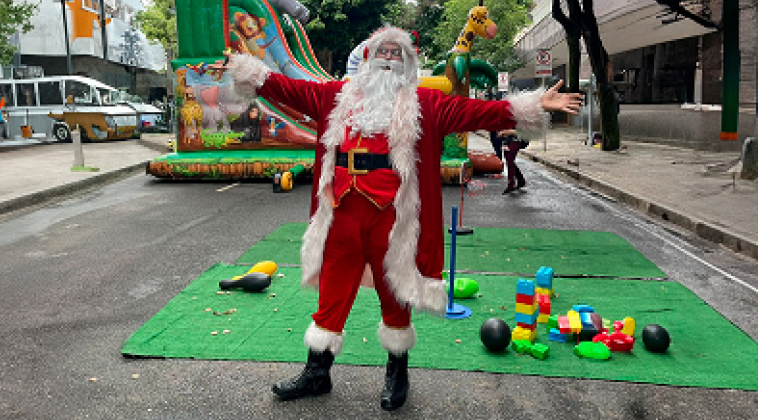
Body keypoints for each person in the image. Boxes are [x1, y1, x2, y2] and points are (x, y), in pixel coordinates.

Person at [215, 26, 581, 411]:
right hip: (340, 214)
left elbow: (479, 111)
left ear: (407, 64)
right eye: (382, 51)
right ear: (368, 58)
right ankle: (317, 372)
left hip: (393, 219)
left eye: (397, 53)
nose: (389, 58)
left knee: (395, 293)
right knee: (332, 293)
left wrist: (537, 104)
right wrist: (243, 67)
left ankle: (397, 369)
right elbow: (283, 86)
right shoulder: (333, 96)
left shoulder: (427, 103)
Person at [490, 129, 526, 194]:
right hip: (507, 141)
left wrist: (504, 132)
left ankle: (511, 184)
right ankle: (521, 180)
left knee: (510, 160)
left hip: (516, 140)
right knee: (509, 160)